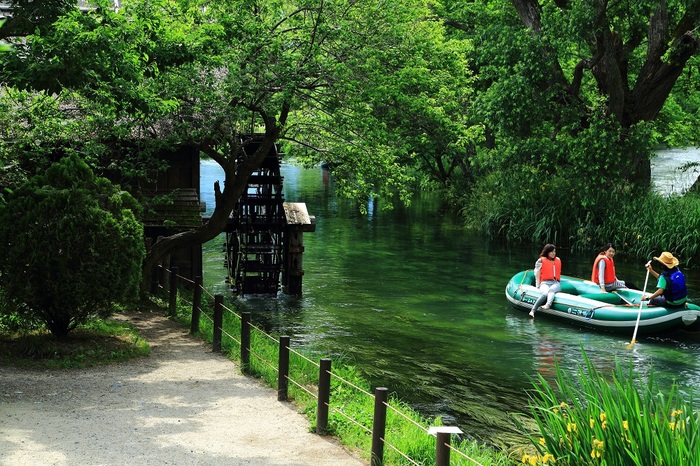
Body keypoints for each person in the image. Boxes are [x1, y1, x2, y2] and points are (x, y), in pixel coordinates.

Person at [529, 244, 561, 318]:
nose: (554, 253)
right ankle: (532, 311)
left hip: (555, 283)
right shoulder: (540, 261)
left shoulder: (558, 260)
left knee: (551, 290)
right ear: (547, 252)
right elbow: (537, 273)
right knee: (544, 294)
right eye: (551, 252)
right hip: (545, 283)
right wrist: (538, 285)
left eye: (554, 251)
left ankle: (547, 305)